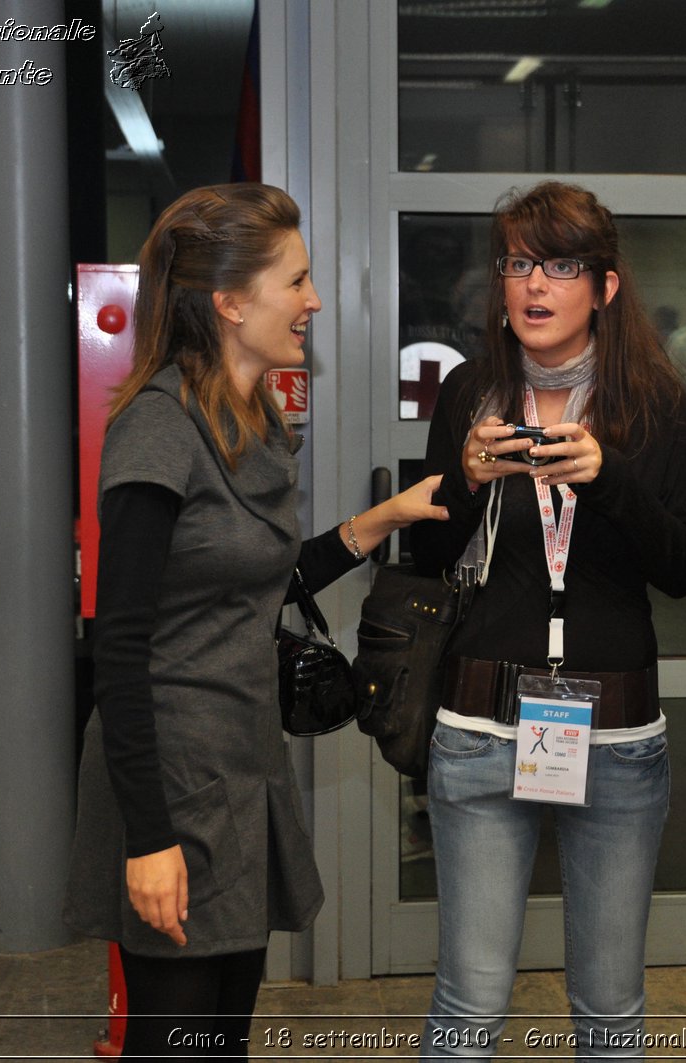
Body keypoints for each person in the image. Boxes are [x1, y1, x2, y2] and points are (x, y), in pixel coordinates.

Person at [64, 183, 447, 1058]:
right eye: (298, 281)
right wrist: (150, 837)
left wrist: (379, 524)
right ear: (231, 302)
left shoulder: (247, 418)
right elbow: (117, 648)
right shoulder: (158, 431)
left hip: (240, 768)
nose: (314, 301)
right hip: (172, 783)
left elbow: (247, 583)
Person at [410, 181, 686, 1058]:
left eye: (562, 265)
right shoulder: (469, 392)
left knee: (611, 1008)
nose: (535, 286)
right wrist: (463, 482)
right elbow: (427, 565)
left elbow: (685, 569)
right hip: (478, 729)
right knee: (468, 1001)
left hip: (614, 738)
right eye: (517, 263)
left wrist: (608, 478)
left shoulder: (654, 404)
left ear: (605, 287)